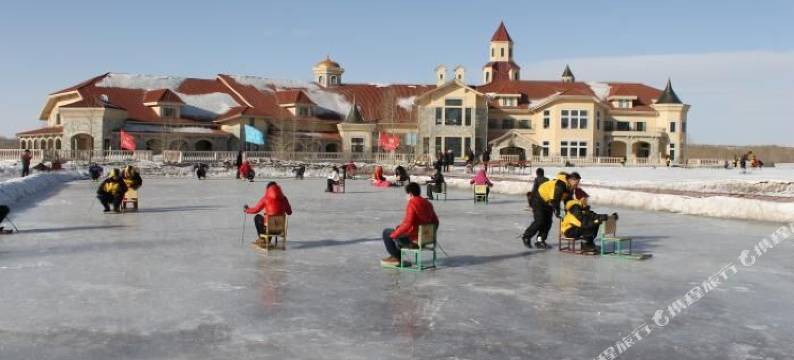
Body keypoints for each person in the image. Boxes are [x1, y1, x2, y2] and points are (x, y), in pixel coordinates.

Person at [381, 182, 440, 266]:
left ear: (410, 194)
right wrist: (430, 234)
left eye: (407, 194)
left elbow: (408, 224)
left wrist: (394, 235)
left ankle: (396, 258)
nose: (406, 196)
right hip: (424, 239)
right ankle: (395, 256)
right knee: (397, 229)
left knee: (387, 232)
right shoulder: (428, 203)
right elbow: (436, 222)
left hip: (413, 240)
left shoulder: (412, 203)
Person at [522, 171, 571, 249]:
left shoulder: (567, 186)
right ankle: (526, 236)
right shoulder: (560, 184)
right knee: (539, 220)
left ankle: (540, 240)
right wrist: (557, 212)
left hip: (548, 202)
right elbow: (555, 199)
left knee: (547, 222)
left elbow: (564, 199)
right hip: (538, 200)